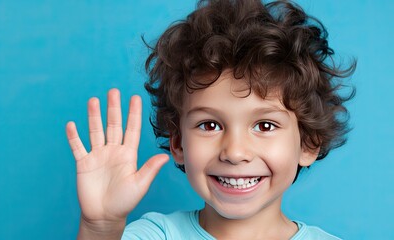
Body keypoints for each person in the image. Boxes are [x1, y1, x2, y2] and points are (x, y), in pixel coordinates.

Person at [66, 0, 355, 239]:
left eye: (265, 126)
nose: (235, 152)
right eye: (210, 125)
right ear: (178, 143)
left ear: (308, 143)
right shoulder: (155, 235)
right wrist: (101, 226)